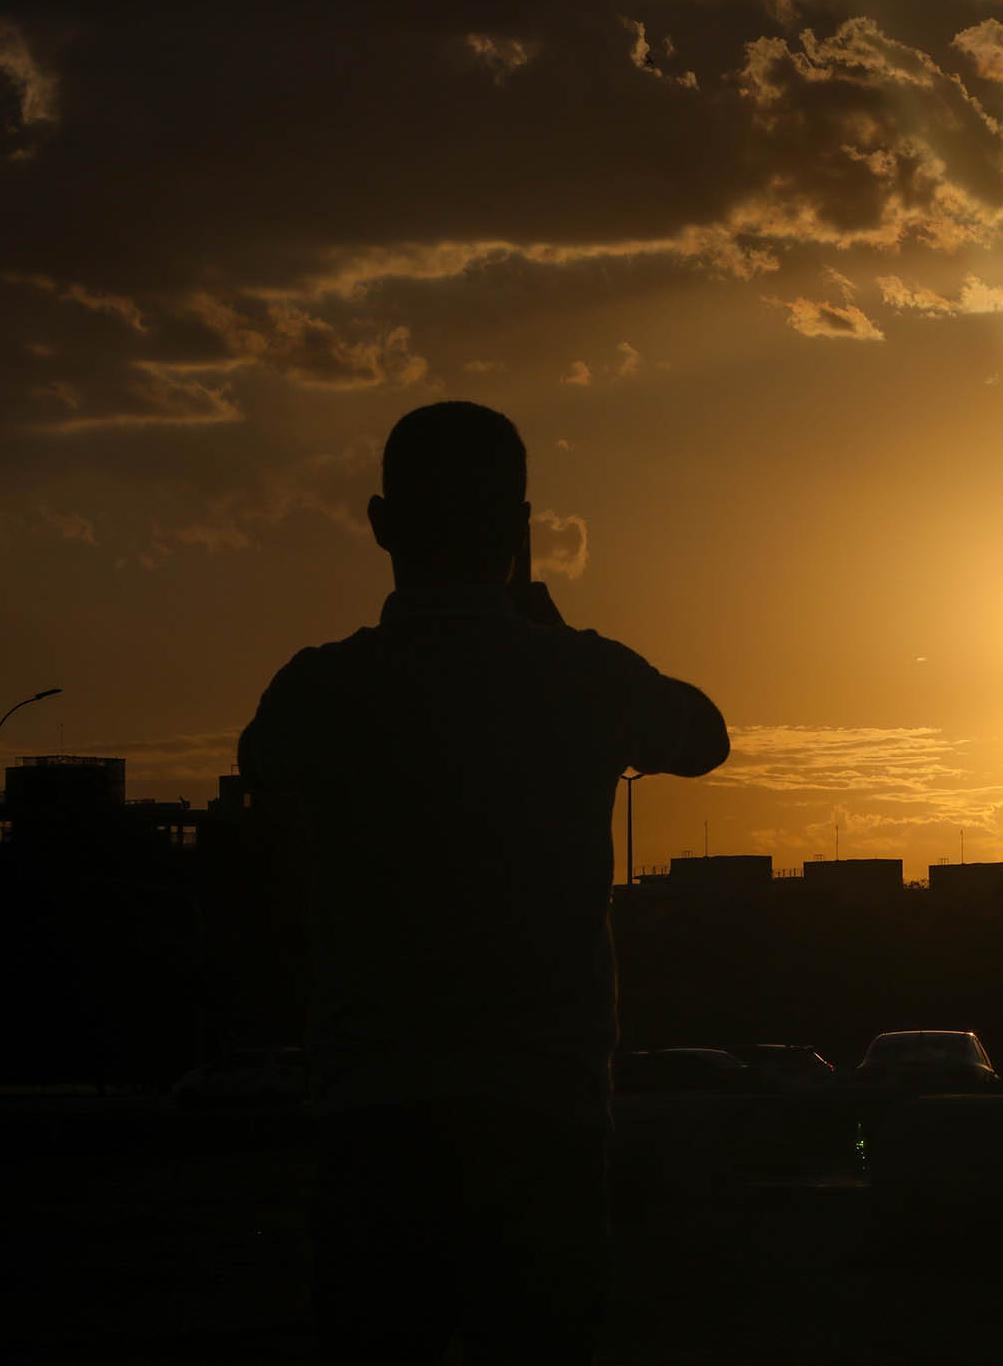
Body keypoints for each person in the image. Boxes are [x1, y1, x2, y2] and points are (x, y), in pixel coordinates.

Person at [239, 401, 728, 1364]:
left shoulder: (318, 688)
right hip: (542, 1112)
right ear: (519, 529)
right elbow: (704, 735)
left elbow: (264, 769)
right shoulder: (585, 679)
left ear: (382, 526)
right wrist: (550, 634)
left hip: (371, 1111)